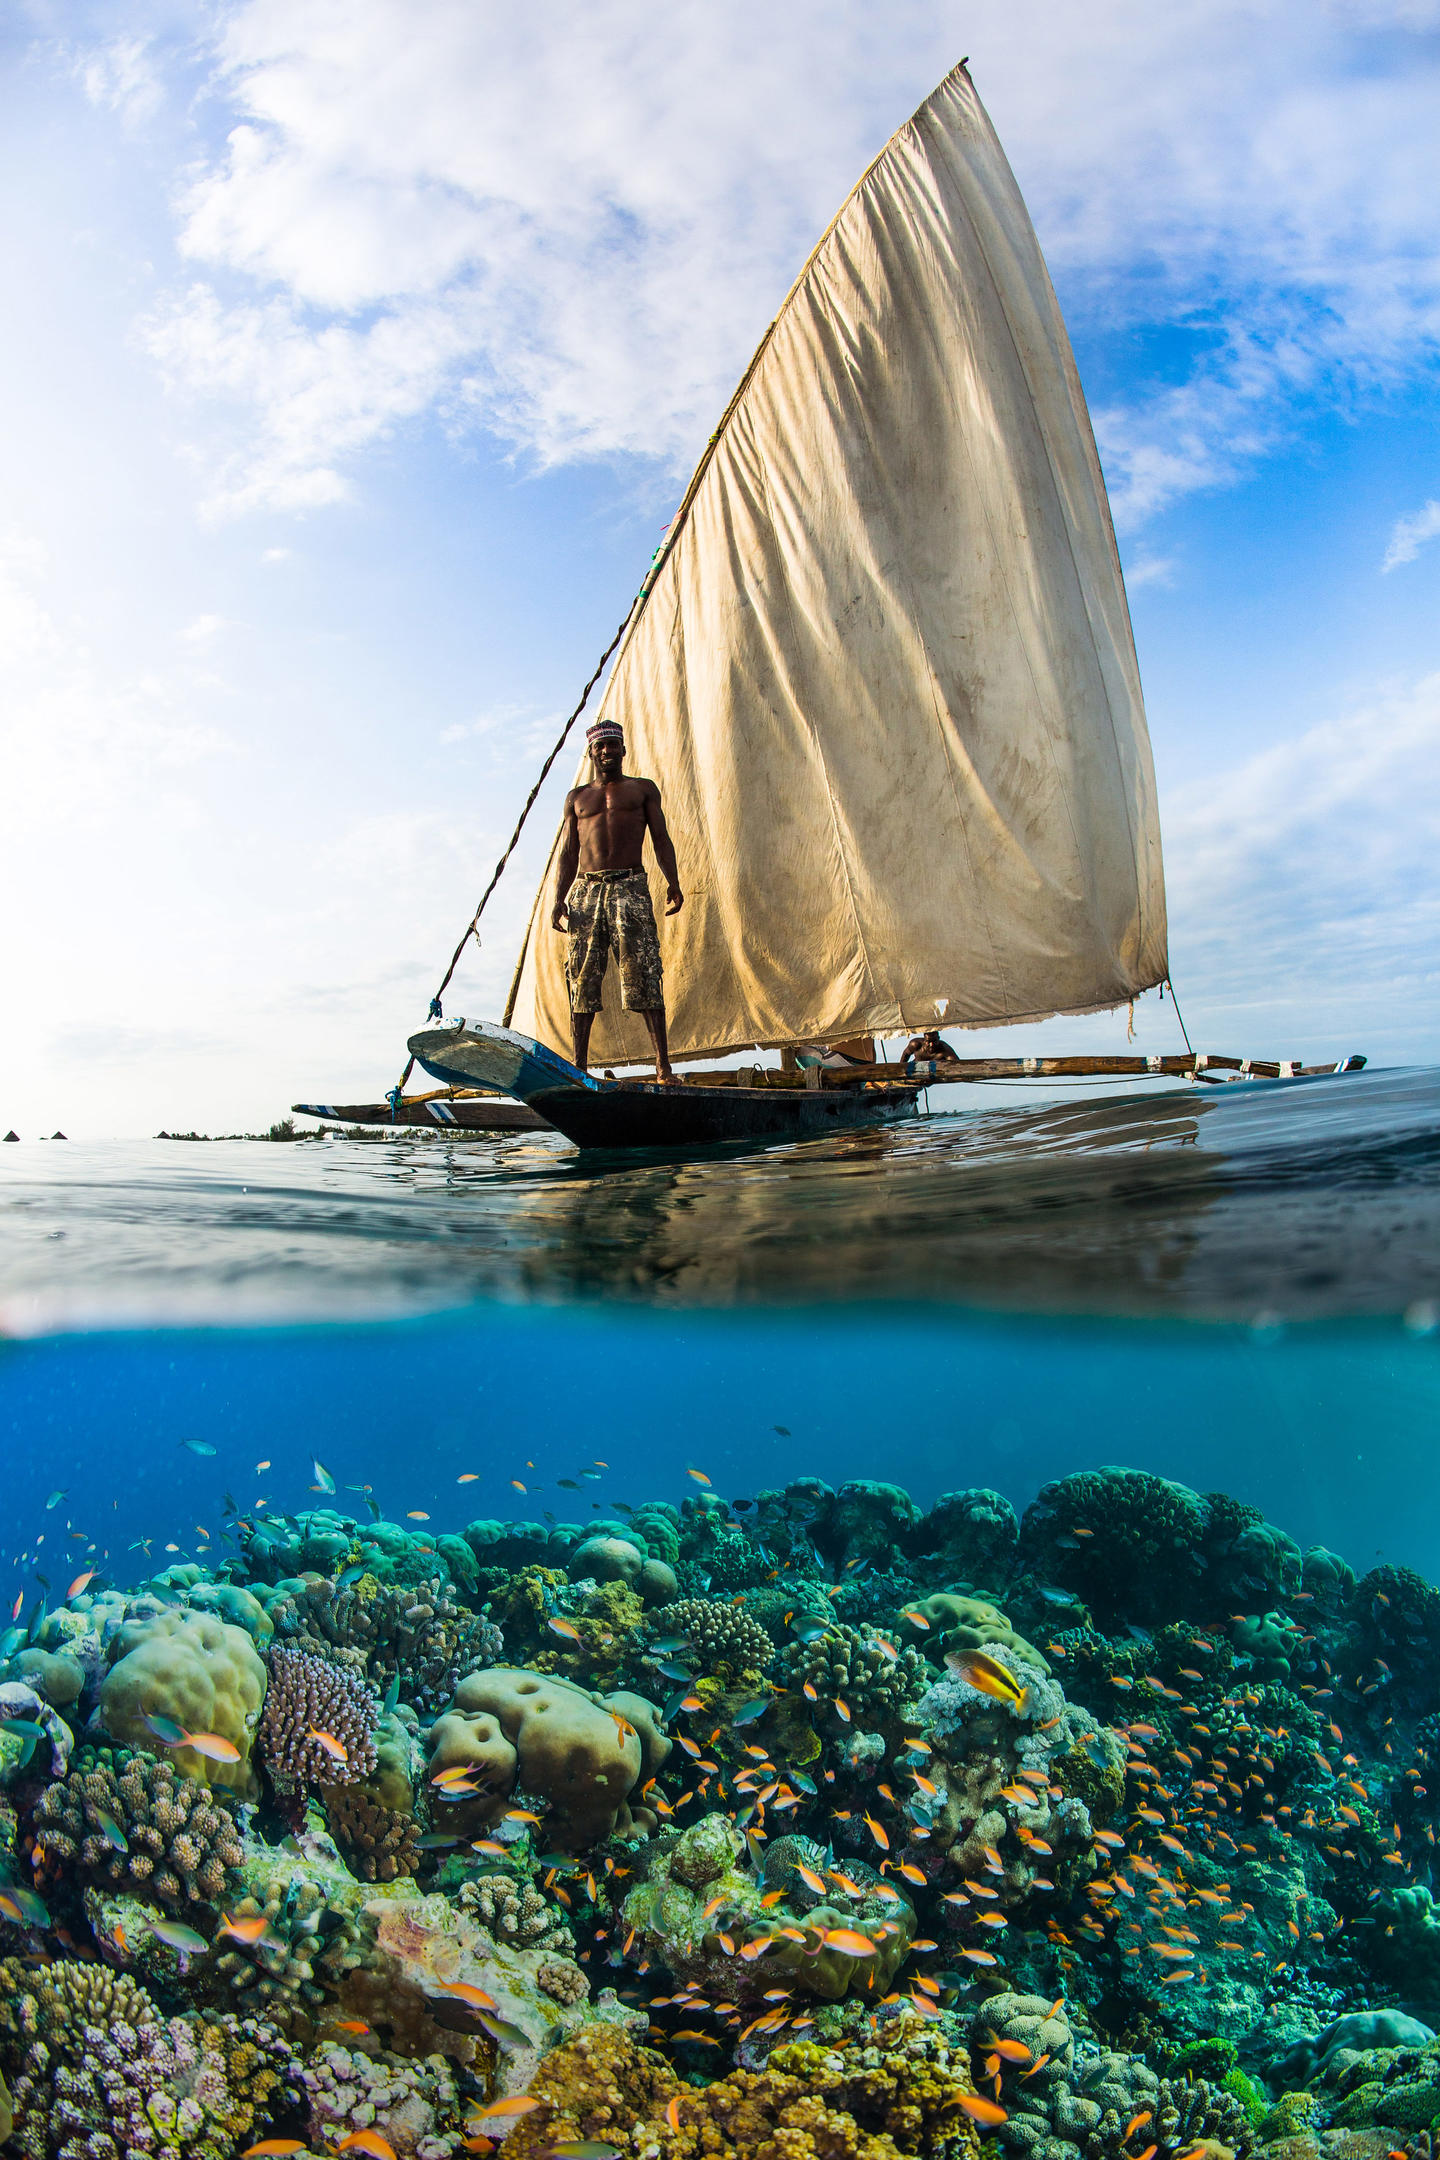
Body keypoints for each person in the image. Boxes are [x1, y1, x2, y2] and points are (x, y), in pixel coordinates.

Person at [551, 718, 684, 1082]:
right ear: (591, 752)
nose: (607, 751)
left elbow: (661, 838)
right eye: (600, 746)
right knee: (581, 977)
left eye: (613, 745)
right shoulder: (577, 798)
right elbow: (567, 852)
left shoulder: (641, 791)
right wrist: (558, 898)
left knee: (644, 971)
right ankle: (579, 1067)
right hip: (586, 890)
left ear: (623, 750)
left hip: (631, 886)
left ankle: (663, 1067)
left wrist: (673, 881)